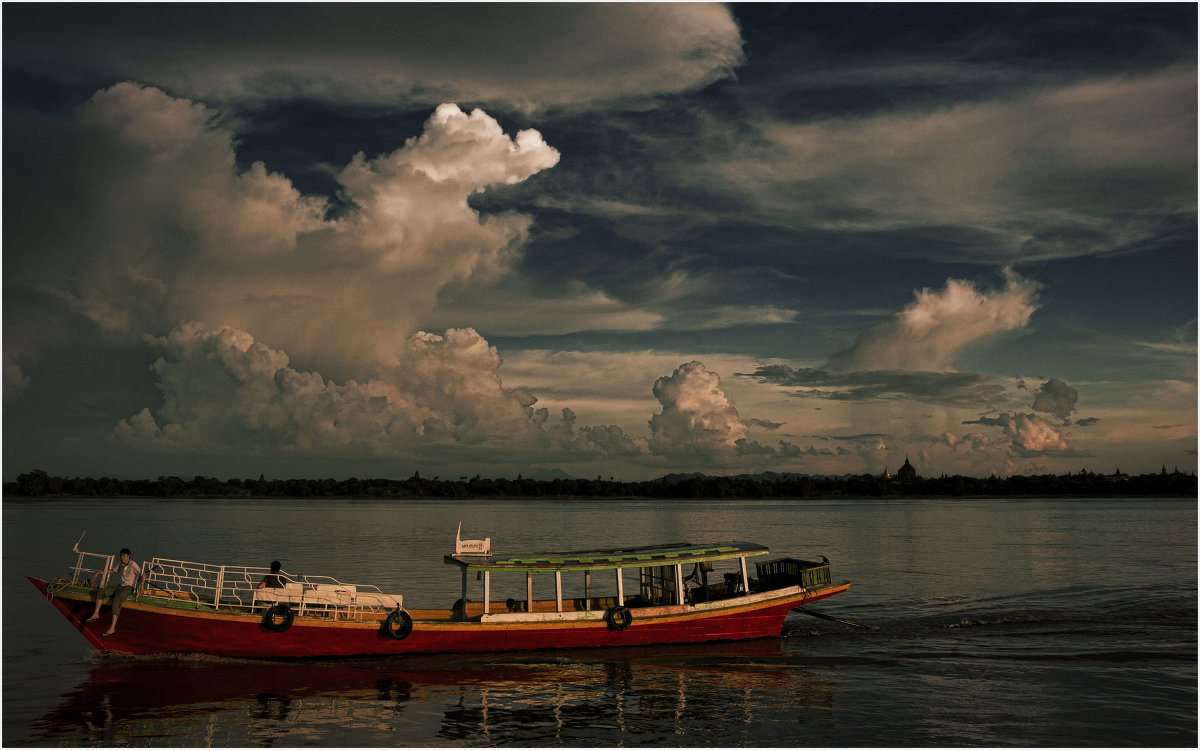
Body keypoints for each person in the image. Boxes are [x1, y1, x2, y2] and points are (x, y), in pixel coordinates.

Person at [85, 548, 141, 637]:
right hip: (121, 586)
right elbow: (112, 570)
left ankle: (112, 628)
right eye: (121, 555)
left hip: (129, 587)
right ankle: (96, 614)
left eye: (123, 555)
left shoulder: (133, 564)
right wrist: (100, 572)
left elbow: (143, 574)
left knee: (116, 600)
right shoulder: (120, 564)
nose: (122, 557)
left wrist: (141, 587)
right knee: (101, 591)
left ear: (128, 556)